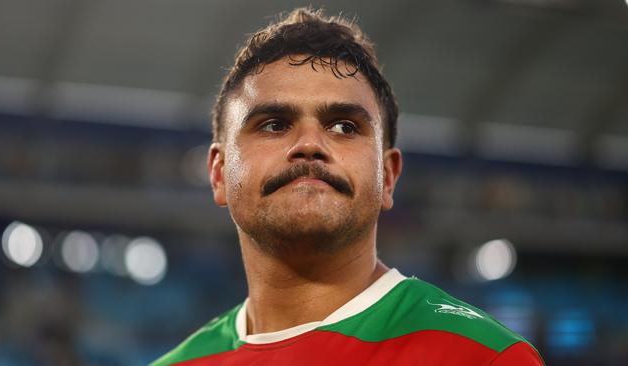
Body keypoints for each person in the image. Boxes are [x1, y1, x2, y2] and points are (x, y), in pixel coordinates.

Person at [151, 7, 543, 366]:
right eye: (273, 124)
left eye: (344, 126)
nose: (308, 145)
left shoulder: (482, 357)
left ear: (388, 176)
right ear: (219, 173)